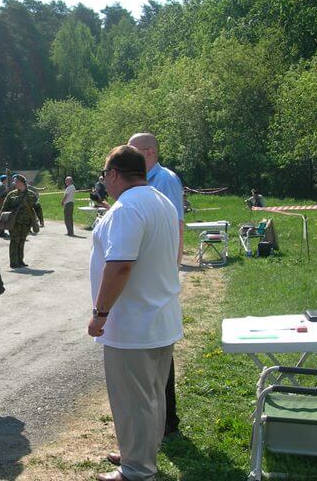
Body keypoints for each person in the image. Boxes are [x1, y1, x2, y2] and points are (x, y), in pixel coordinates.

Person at [88, 145, 182, 481]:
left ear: (113, 174)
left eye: (105, 175)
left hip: (133, 323)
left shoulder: (127, 208)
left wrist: (100, 312)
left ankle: (137, 470)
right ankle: (139, 453)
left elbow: (121, 265)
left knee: (133, 400)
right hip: (159, 316)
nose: (104, 183)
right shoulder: (161, 201)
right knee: (152, 395)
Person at [128, 132, 184, 437]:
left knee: (160, 353)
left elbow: (175, 226)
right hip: (151, 278)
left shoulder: (164, 180)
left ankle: (167, 421)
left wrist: (170, 273)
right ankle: (157, 421)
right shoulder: (145, 179)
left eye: (132, 151)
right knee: (150, 351)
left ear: (148, 153)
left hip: (160, 279)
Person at [1, 175, 44, 268]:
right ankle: (13, 262)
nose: (14, 183)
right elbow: (4, 209)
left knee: (22, 241)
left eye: (16, 182)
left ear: (22, 182)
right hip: (14, 222)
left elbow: (38, 208)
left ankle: (20, 260)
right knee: (14, 241)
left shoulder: (32, 195)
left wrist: (41, 220)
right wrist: (4, 221)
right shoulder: (11, 194)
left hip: (26, 222)